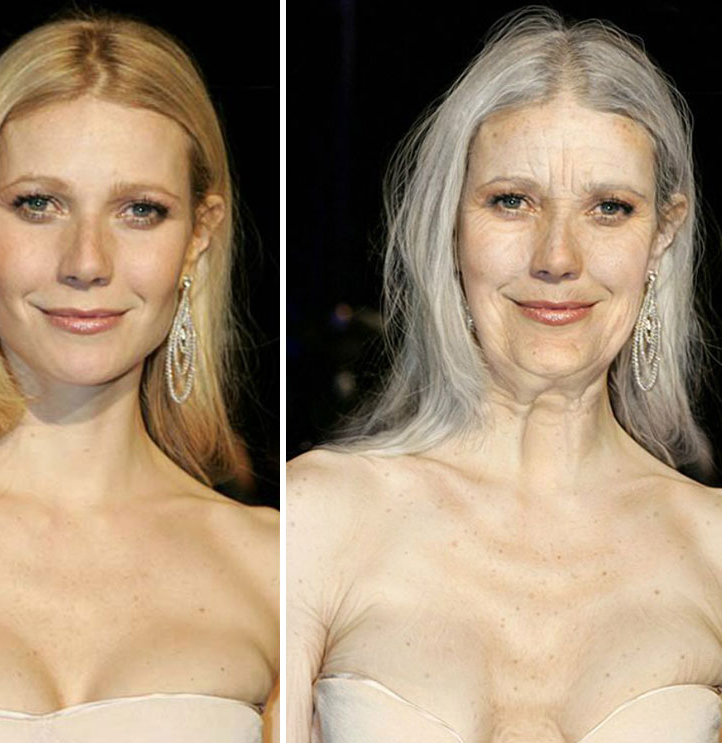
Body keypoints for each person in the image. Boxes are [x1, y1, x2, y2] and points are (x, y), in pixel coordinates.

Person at [0, 12, 278, 743]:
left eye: (140, 211)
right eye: (38, 204)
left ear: (198, 236)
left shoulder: (273, 565)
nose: (86, 262)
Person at [288, 8, 722, 742]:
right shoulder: (318, 519)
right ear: (451, 222)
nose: (557, 258)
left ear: (661, 235)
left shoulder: (712, 548)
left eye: (609, 208)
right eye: (512, 201)